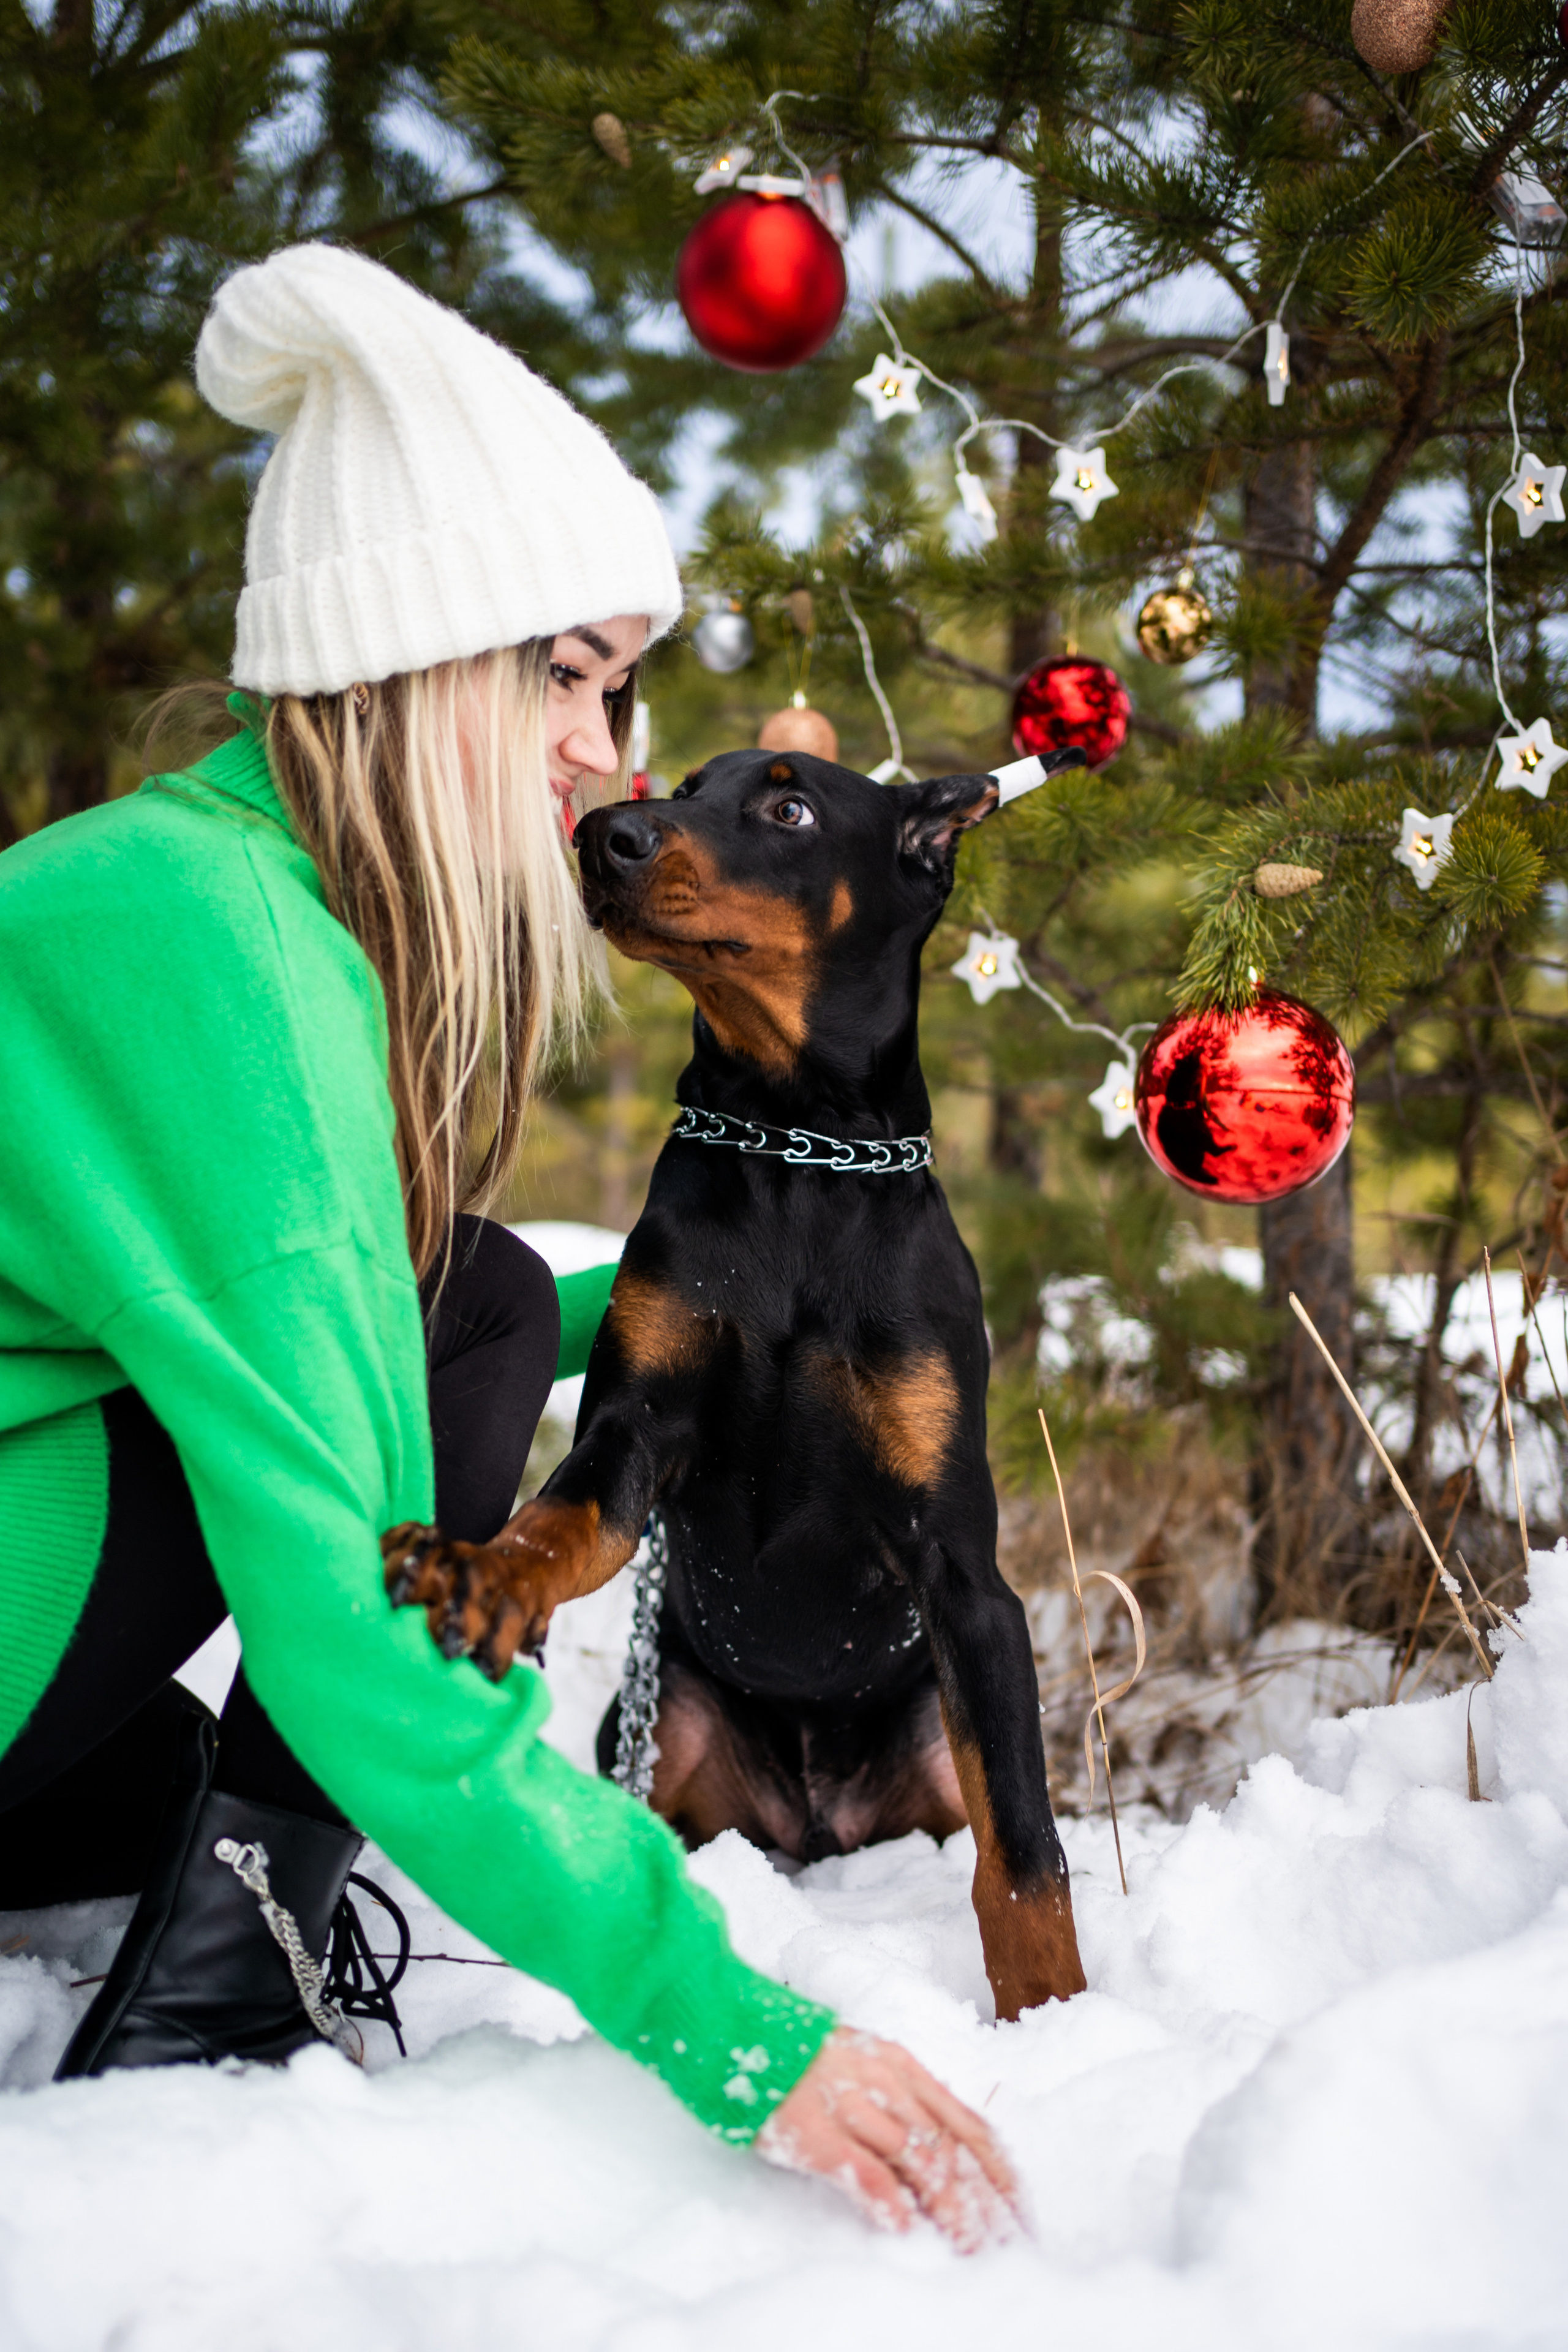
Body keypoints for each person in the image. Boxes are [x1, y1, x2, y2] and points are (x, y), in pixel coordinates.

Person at [0, 243, 1019, 2251]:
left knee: (459, 1310)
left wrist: (739, 1321)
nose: (610, 759)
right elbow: (351, 1598)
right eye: (567, 673)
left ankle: (217, 1906)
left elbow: (272, 1310)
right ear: (408, 655)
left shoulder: (205, 884)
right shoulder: (212, 952)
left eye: (620, 689)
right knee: (452, 1312)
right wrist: (735, 2028)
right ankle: (219, 2000)